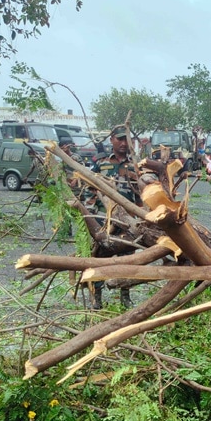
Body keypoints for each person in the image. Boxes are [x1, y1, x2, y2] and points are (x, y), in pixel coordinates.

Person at [90, 125, 142, 308]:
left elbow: (140, 196)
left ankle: (125, 296)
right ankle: (97, 296)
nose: (123, 143)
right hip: (103, 219)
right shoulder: (101, 163)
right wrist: (90, 213)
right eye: (119, 139)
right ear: (111, 139)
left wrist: (139, 218)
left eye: (126, 139)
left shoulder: (134, 165)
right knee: (99, 257)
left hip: (126, 221)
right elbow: (89, 189)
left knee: (127, 258)